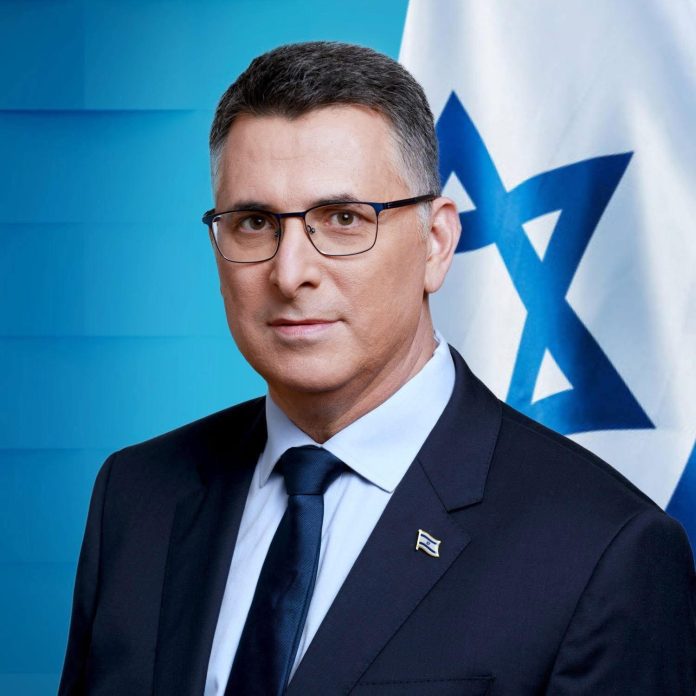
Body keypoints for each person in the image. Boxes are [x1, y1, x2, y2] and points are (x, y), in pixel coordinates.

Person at [59, 41, 695, 696]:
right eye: (254, 222)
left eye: (342, 219)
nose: (290, 273)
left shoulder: (602, 551)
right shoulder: (137, 496)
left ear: (436, 243)